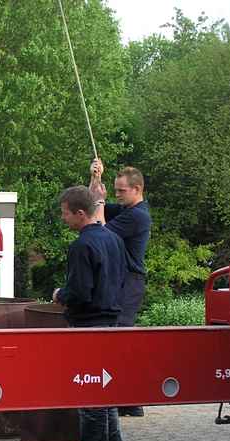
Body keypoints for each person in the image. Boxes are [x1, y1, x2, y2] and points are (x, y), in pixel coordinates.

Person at [53, 186, 128, 441]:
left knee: (89, 394)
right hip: (112, 322)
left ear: (80, 213)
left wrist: (62, 293)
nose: (63, 218)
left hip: (88, 326)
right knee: (105, 391)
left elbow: (81, 292)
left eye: (65, 213)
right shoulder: (114, 240)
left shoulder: (81, 246)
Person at [90, 159, 152, 417]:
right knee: (115, 338)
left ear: (136, 189)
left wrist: (102, 202)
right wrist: (95, 177)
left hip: (130, 283)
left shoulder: (137, 216)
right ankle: (125, 399)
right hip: (119, 281)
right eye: (115, 191)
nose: (117, 195)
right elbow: (93, 208)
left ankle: (131, 399)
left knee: (121, 339)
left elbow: (102, 230)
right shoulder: (127, 209)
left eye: (121, 191)